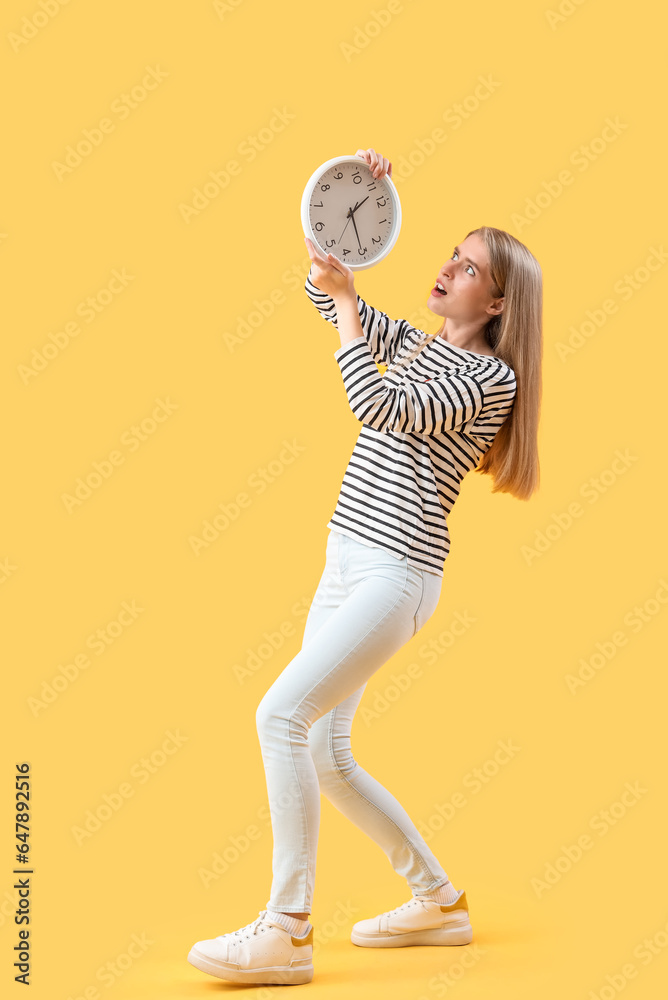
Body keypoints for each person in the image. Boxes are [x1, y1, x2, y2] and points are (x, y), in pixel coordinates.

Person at [188, 147, 543, 986]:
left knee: (280, 717)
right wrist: (345, 204)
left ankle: (288, 929)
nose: (448, 268)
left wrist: (350, 309)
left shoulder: (488, 378)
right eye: (451, 254)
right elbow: (330, 300)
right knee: (324, 752)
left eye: (469, 268)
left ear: (496, 302)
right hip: (347, 559)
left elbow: (373, 399)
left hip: (395, 577)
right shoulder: (425, 345)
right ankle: (439, 903)